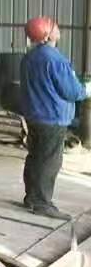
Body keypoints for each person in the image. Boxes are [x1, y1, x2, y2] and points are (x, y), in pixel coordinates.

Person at [20, 16, 91, 219]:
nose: (57, 29)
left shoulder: (29, 58)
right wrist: (86, 89)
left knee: (35, 157)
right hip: (52, 118)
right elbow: (72, 92)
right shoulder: (55, 59)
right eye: (54, 27)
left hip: (34, 116)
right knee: (50, 161)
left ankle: (31, 198)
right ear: (46, 35)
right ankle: (42, 204)